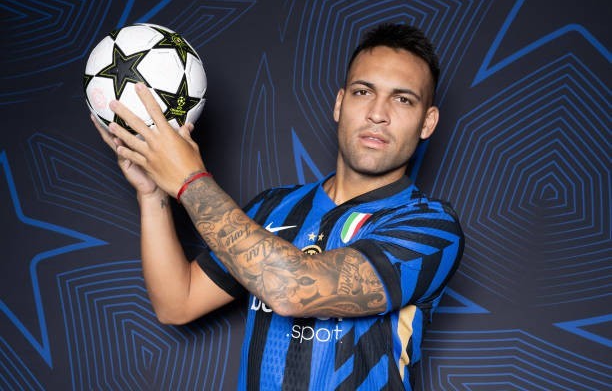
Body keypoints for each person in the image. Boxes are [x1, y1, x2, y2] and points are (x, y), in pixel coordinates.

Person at [92, 23, 464, 390]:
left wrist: (190, 181)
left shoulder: (431, 228)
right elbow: (177, 302)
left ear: (427, 122)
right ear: (340, 103)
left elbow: (292, 290)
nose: (377, 113)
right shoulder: (273, 206)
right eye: (363, 91)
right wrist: (153, 194)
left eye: (403, 99)